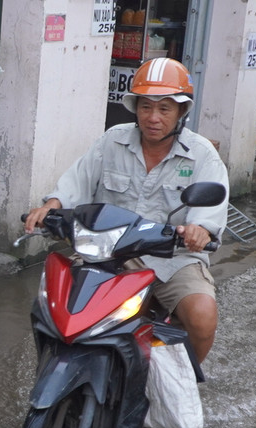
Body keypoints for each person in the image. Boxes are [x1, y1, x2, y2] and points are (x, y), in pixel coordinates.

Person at [25, 58, 229, 363]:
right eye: (146, 107)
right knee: (55, 308)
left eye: (164, 108)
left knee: (202, 316)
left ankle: (184, 384)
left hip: (174, 259)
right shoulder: (113, 140)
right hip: (110, 254)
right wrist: (53, 205)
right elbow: (77, 180)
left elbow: (208, 213)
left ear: (181, 112)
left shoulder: (202, 155)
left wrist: (200, 230)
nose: (153, 117)